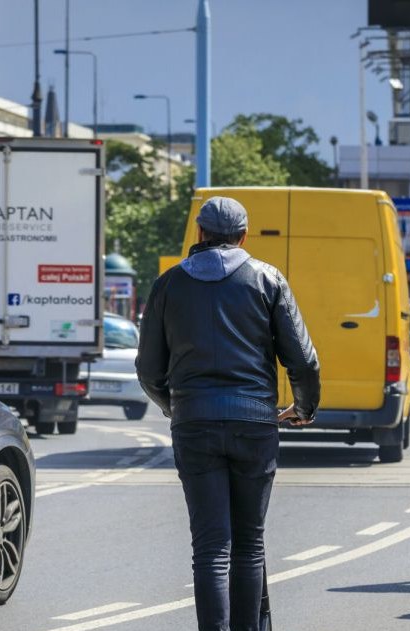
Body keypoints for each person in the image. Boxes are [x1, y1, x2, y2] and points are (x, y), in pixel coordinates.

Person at [136, 196, 320, 631]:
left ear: (199, 233)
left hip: (194, 423)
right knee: (249, 544)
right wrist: (304, 408)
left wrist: (173, 405)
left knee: (211, 547)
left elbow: (148, 370)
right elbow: (304, 360)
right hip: (255, 423)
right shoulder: (267, 279)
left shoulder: (167, 285)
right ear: (243, 235)